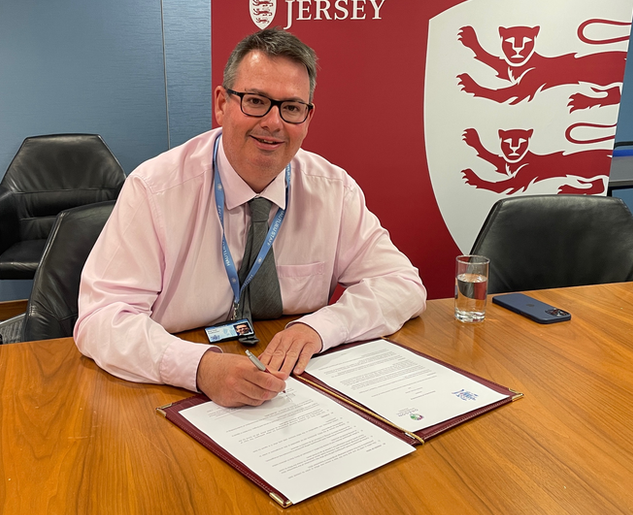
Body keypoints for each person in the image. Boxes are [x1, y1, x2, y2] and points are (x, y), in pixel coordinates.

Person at [75, 28, 426, 407]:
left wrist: (320, 327)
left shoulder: (333, 190)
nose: (274, 123)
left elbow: (401, 283)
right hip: (168, 390)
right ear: (222, 104)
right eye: (256, 101)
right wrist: (197, 368)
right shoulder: (155, 189)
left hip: (293, 389)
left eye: (291, 107)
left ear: (307, 118)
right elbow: (101, 317)